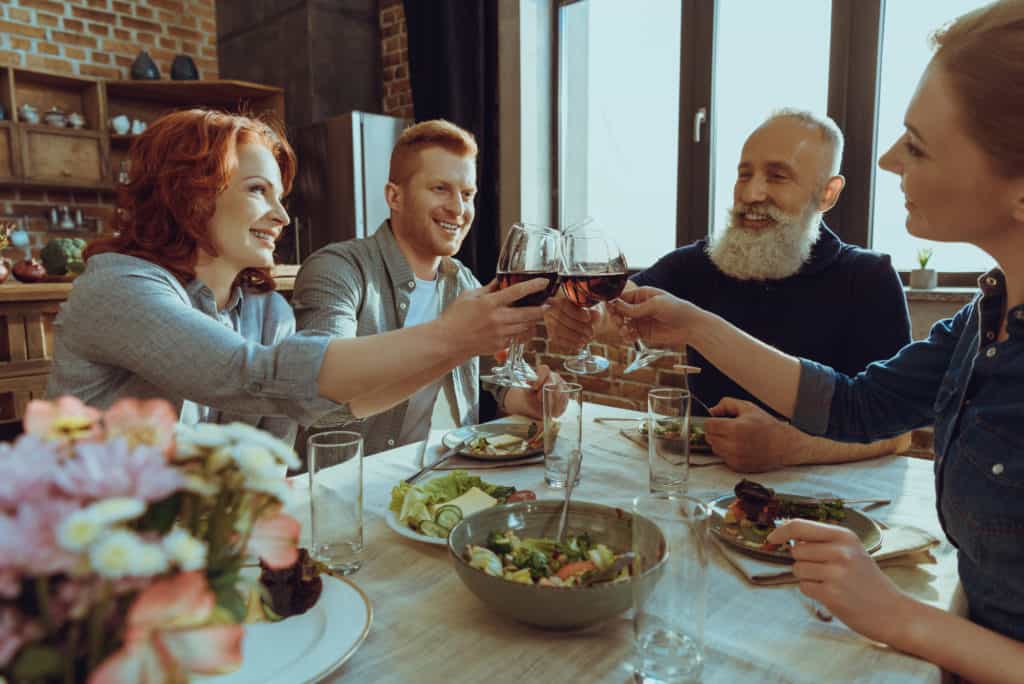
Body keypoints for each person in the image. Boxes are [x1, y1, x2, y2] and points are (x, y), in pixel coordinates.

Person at [613, 1, 1024, 678]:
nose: (890, 159)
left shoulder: (874, 278)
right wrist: (690, 323)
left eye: (916, 144)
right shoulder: (982, 320)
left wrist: (897, 615)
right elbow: (857, 406)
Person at [48, 109, 549, 447]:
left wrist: (458, 346)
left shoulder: (266, 312)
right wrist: (450, 335)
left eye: (280, 198)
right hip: (87, 564)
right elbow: (251, 373)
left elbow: (340, 405)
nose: (281, 218)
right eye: (257, 191)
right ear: (193, 194)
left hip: (209, 554)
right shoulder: (116, 286)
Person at [546, 110, 912, 471]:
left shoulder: (869, 277)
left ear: (827, 194)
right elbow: (624, 305)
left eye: (777, 176)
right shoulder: (699, 262)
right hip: (703, 489)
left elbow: (897, 434)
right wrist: (583, 314)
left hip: (832, 503)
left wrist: (792, 448)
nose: (751, 193)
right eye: (744, 174)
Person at [292, 119, 560, 455]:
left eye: (467, 194)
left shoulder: (462, 280)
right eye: (440, 189)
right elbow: (321, 403)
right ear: (395, 196)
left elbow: (493, 374)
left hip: (447, 475)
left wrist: (528, 399)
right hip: (356, 486)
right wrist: (450, 338)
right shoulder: (338, 269)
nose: (458, 209)